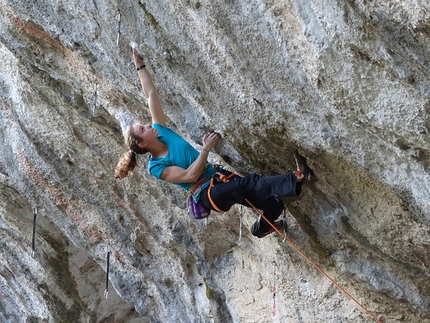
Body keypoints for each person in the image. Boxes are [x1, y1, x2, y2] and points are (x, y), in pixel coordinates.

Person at [115, 49, 314, 238]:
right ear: (142, 144)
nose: (148, 125)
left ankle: (260, 229)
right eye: (143, 129)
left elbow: (150, 95)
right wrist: (205, 149)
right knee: (247, 183)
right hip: (208, 194)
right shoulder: (156, 167)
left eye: (144, 124)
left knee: (273, 204)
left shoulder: (162, 132)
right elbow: (190, 175)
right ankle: (297, 177)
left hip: (218, 177)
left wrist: (140, 66)